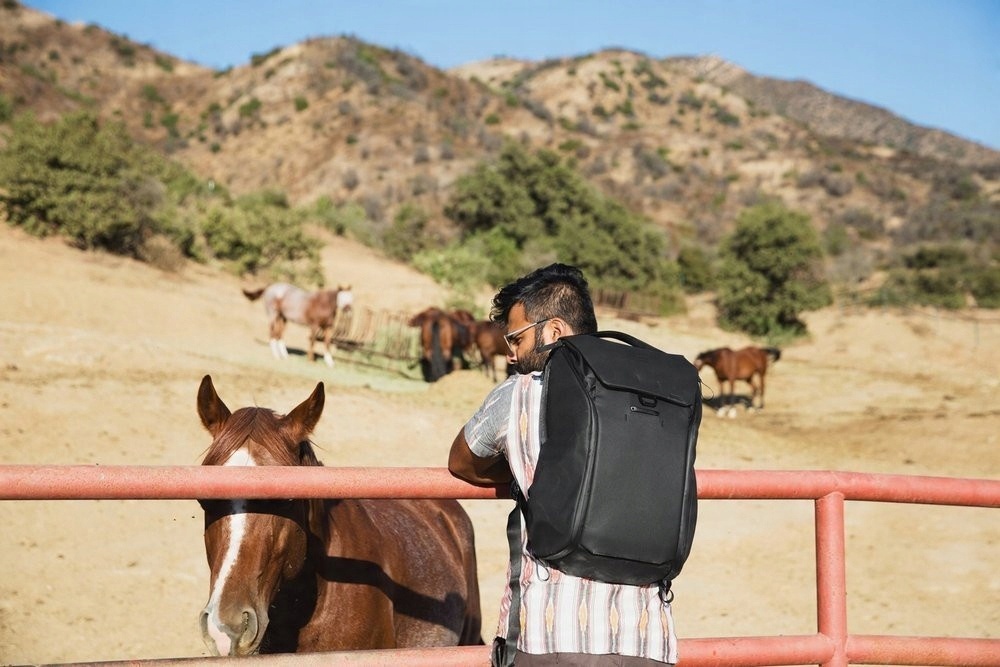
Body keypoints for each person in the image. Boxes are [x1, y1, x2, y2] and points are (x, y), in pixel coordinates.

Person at [448, 263, 678, 666]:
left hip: (552, 635)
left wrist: (526, 470)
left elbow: (462, 461)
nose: (509, 351)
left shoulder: (520, 392)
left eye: (516, 337)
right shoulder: (659, 397)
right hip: (648, 636)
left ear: (553, 331)